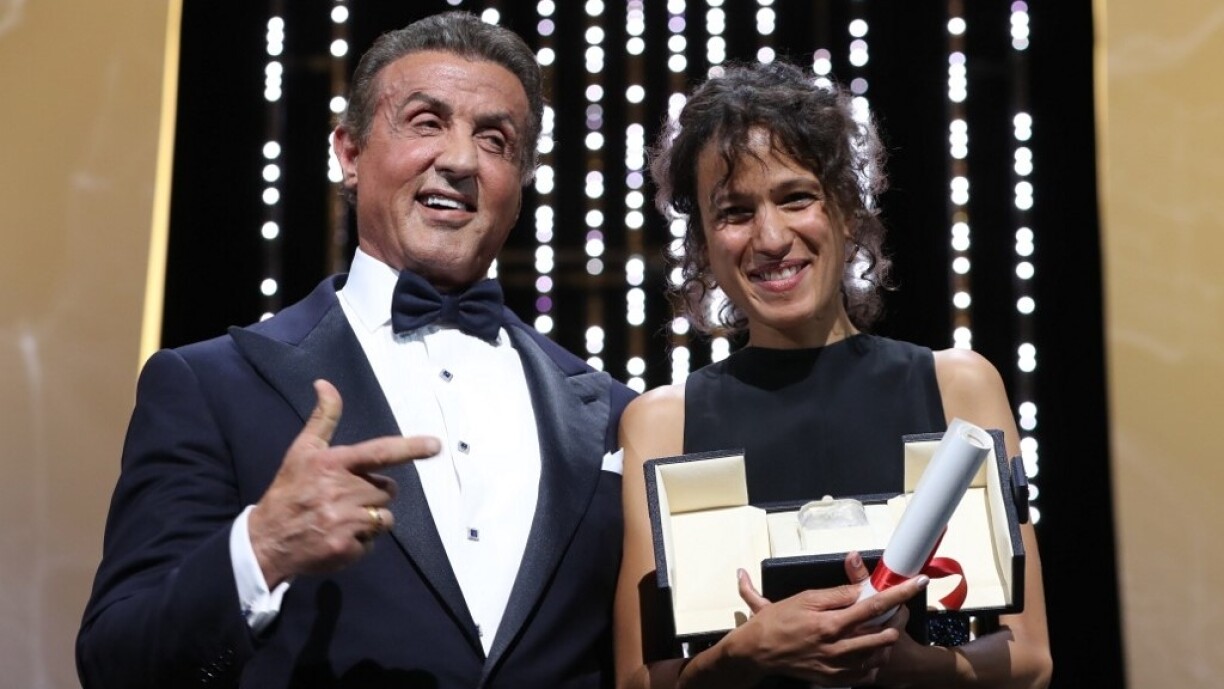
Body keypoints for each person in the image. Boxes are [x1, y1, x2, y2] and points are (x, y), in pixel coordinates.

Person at [77, 12, 634, 689]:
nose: (461, 160)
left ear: (520, 183)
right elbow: (117, 663)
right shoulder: (211, 386)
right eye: (426, 122)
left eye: (495, 139)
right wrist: (261, 548)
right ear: (348, 153)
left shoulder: (614, 416)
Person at [614, 61, 1052, 688]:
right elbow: (635, 679)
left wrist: (911, 666)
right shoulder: (661, 422)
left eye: (796, 198)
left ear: (846, 209)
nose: (771, 237)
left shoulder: (958, 385)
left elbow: (1031, 660)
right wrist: (740, 656)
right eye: (735, 212)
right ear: (703, 244)